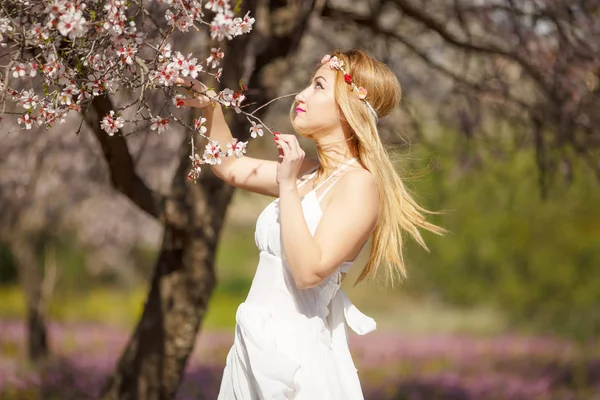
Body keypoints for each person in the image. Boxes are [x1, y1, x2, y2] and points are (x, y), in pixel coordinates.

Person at [177, 49, 444, 400]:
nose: (301, 95)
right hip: (253, 345)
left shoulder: (358, 185)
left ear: (348, 108)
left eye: (318, 86)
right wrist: (211, 106)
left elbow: (308, 272)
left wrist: (287, 185)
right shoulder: (309, 174)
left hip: (297, 362)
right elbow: (229, 166)